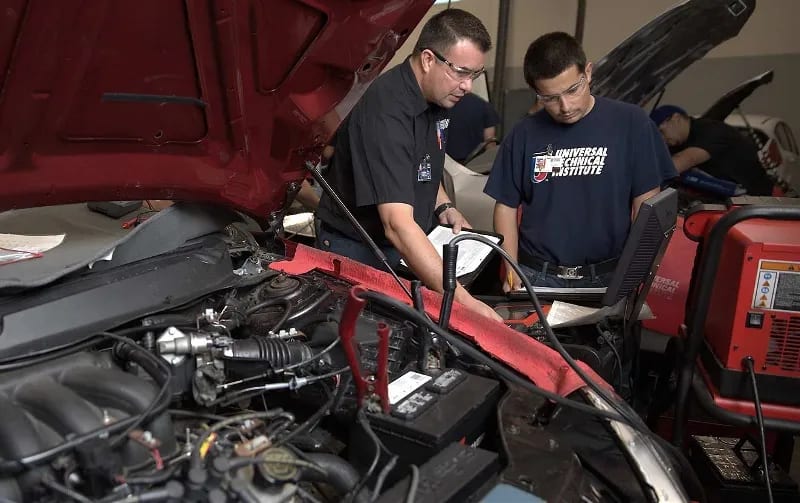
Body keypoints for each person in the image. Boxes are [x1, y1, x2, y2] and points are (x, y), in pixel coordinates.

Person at [315, 9, 501, 321]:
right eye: (461, 72)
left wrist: (444, 206)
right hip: (357, 248)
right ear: (429, 59)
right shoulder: (386, 113)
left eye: (475, 75)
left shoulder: (438, 97)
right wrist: (467, 305)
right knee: (369, 344)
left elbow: (422, 163)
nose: (468, 86)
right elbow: (398, 226)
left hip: (398, 245)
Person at [484, 32, 675, 290]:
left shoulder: (632, 123)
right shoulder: (523, 134)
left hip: (609, 274)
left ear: (588, 72)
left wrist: (637, 270)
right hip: (537, 274)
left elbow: (647, 204)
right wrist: (511, 267)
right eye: (550, 98)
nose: (565, 106)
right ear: (536, 93)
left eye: (573, 89)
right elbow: (505, 206)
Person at [649, 104, 773, 196]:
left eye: (661, 132)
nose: (661, 139)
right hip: (733, 199)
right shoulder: (678, 143)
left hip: (757, 199)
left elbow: (683, 161)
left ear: (676, 118)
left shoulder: (709, 130)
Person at [445, 92, 500, 164]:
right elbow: (490, 144)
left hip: (447, 166)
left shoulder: (440, 107)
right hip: (476, 165)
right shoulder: (484, 105)